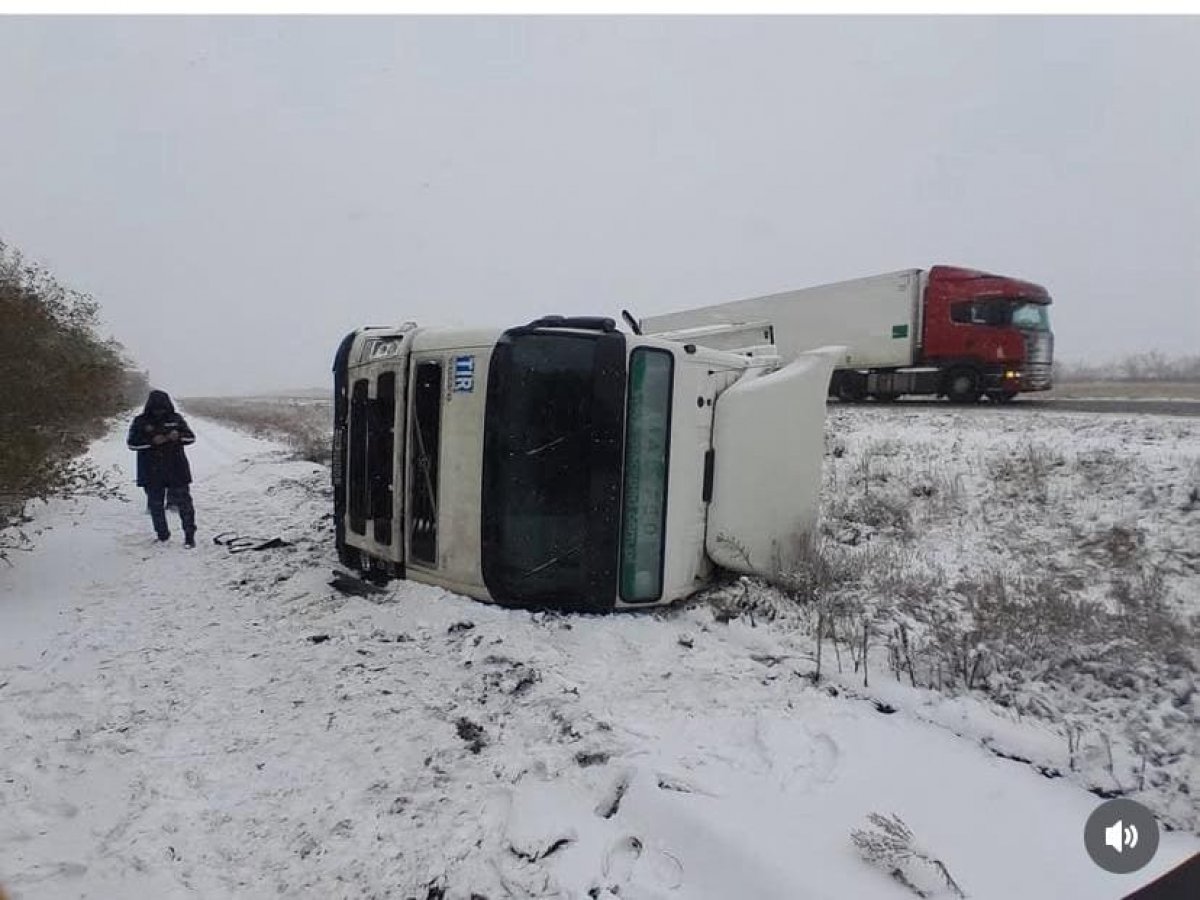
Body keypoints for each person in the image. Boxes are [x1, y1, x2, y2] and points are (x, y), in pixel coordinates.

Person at [126, 390, 198, 547]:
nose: (160, 411)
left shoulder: (176, 419)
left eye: (163, 407)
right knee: (155, 505)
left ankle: (189, 536)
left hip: (176, 467)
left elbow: (191, 437)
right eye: (156, 408)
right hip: (151, 470)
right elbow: (132, 443)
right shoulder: (140, 421)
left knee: (185, 504)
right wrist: (152, 441)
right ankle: (162, 535)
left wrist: (178, 436)